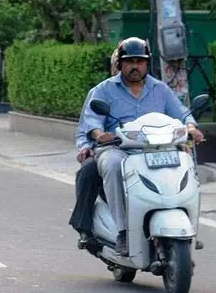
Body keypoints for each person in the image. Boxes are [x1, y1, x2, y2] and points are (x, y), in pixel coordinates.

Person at [77, 37, 204, 256]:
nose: (135, 66)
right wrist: (101, 135)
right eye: (130, 61)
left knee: (185, 159)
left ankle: (189, 226)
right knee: (113, 164)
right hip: (119, 150)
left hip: (157, 149)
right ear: (120, 64)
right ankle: (123, 231)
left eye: (140, 61)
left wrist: (191, 127)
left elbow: (183, 114)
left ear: (147, 64)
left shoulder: (160, 90)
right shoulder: (103, 90)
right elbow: (92, 123)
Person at [69, 43, 122, 246]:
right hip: (111, 150)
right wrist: (86, 147)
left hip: (147, 150)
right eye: (121, 64)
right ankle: (84, 224)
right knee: (89, 169)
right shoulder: (100, 91)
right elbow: (86, 128)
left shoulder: (153, 91)